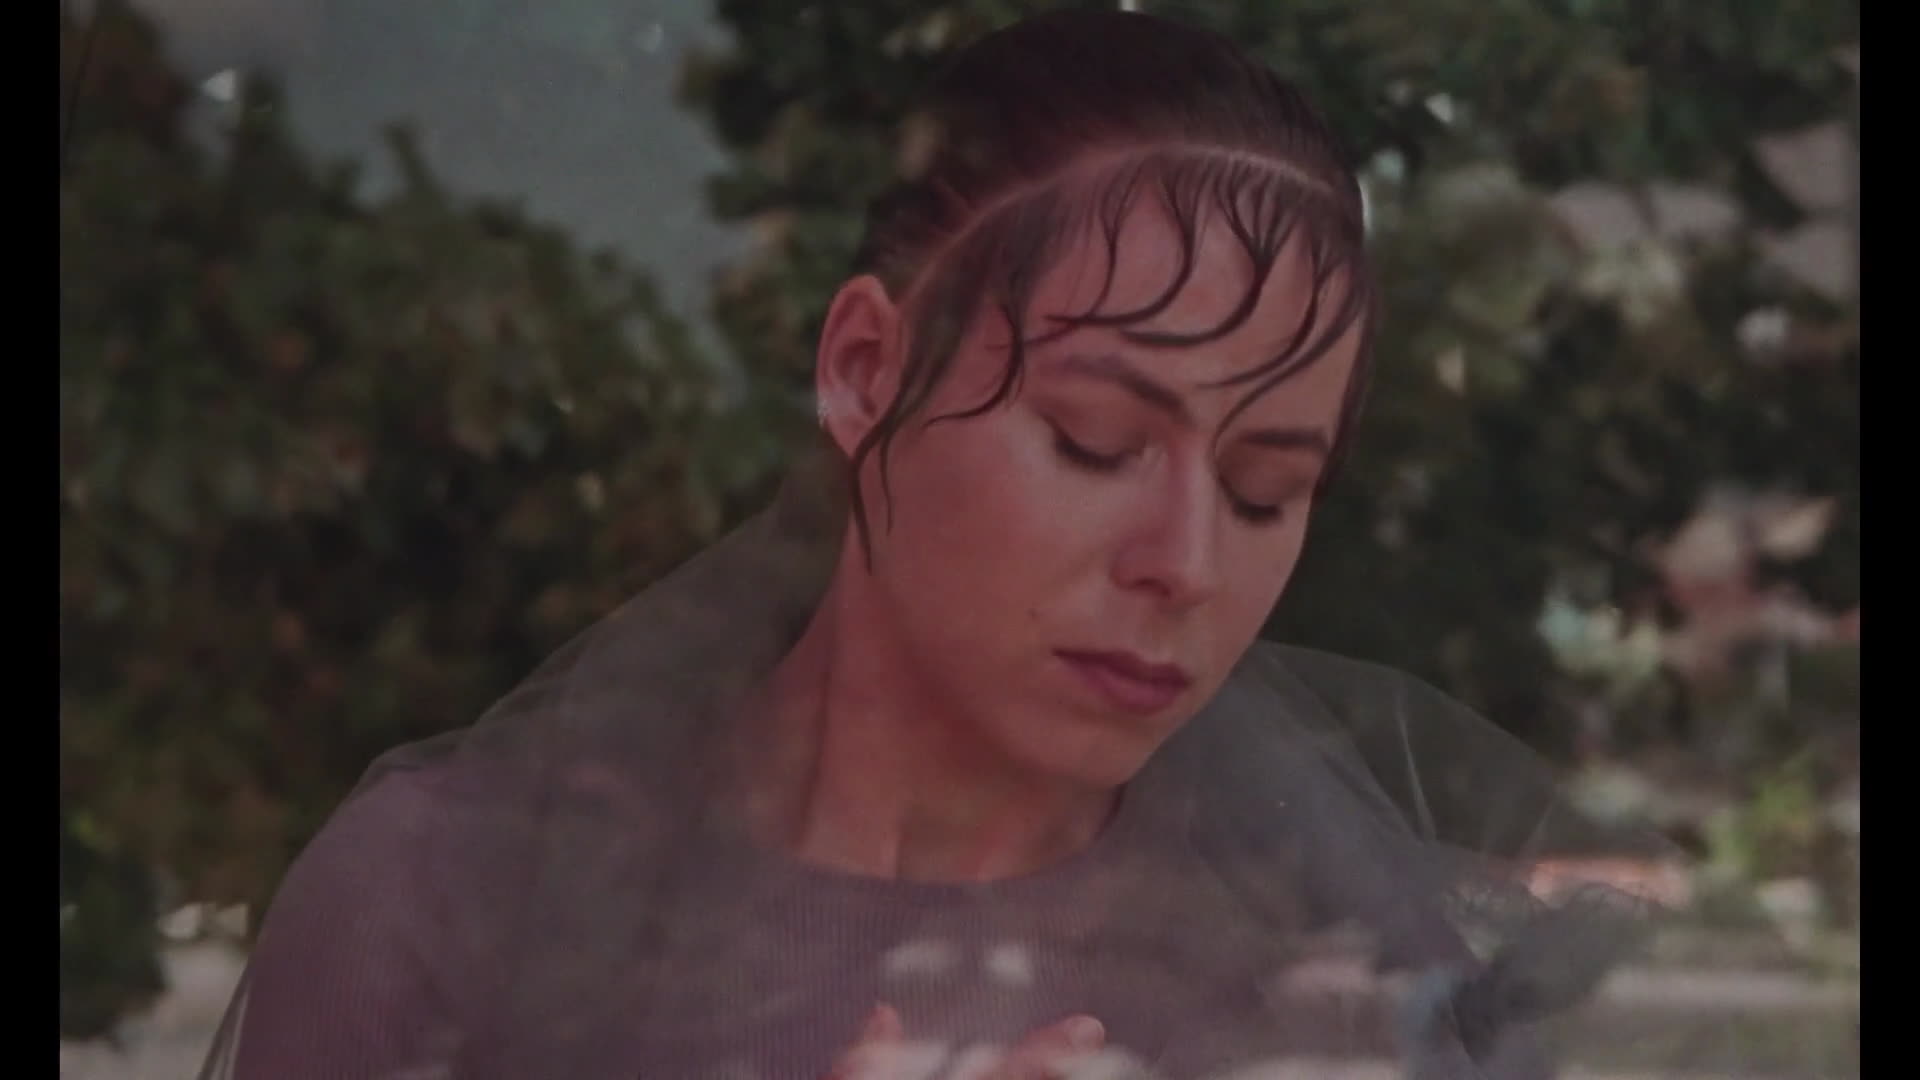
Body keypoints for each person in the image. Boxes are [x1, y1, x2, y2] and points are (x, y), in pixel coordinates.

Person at [197, 10, 1675, 1079]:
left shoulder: (1350, 981)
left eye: (1265, 489)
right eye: (1094, 440)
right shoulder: (443, 904)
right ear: (864, 371)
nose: (1184, 560)